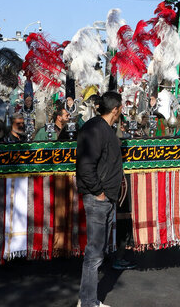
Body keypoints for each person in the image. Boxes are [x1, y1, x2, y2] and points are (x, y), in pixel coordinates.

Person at [76, 92, 124, 307]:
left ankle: (89, 299)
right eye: (121, 108)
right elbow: (86, 166)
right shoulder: (96, 129)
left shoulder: (103, 128)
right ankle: (87, 302)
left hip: (104, 198)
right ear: (116, 109)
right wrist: (99, 192)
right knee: (94, 255)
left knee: (97, 253)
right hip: (98, 199)